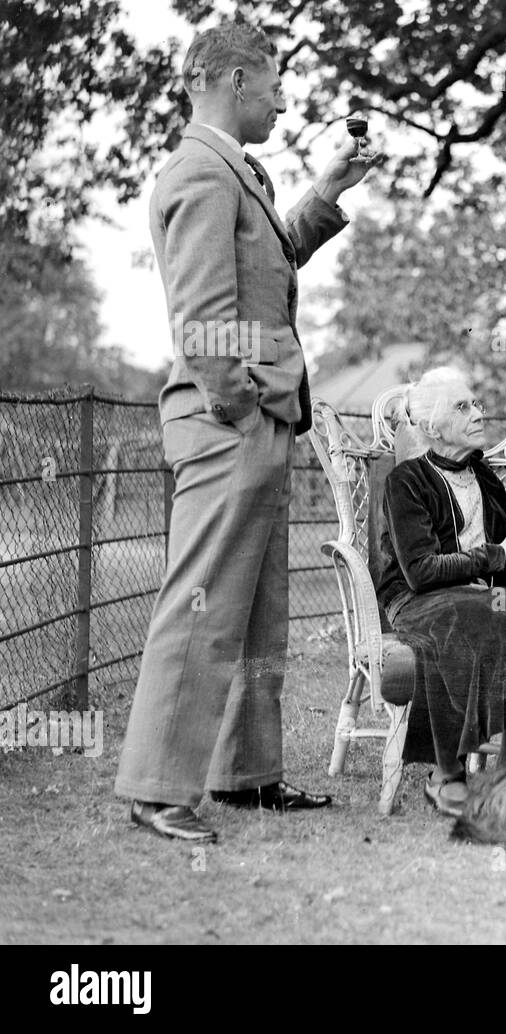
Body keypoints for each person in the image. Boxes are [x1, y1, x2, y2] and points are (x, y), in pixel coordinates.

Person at [114, 23, 381, 842]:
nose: (281, 100)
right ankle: (159, 788)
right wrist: (241, 405)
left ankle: (242, 775)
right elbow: (202, 320)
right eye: (272, 87)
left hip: (256, 418)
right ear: (234, 80)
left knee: (255, 609)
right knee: (200, 608)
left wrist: (325, 191)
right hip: (230, 422)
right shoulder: (201, 170)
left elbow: (272, 264)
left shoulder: (237, 171)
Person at [376, 368, 506, 817]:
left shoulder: (488, 481)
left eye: (475, 403)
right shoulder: (406, 482)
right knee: (464, 625)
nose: (479, 413)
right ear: (433, 427)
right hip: (418, 601)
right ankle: (446, 775)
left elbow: (498, 578)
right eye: (463, 407)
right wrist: (498, 552)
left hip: (475, 598)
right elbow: (420, 572)